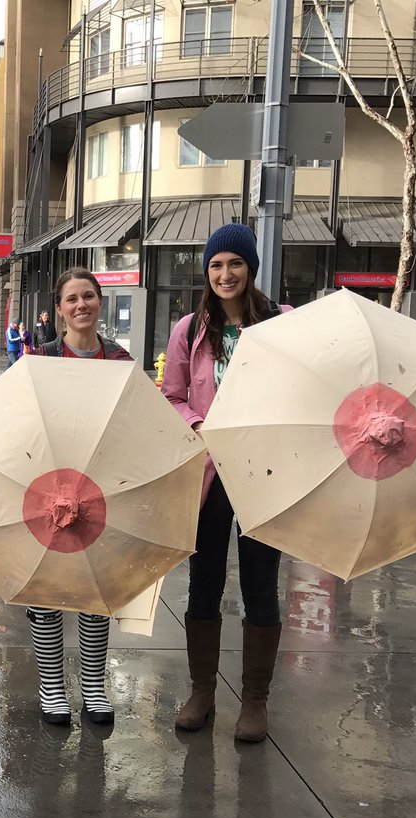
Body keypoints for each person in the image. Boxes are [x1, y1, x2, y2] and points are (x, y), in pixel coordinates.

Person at [161, 223, 288, 744]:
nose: (225, 273)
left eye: (234, 263)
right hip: (210, 473)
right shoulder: (190, 329)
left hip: (264, 472)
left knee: (261, 586)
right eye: (216, 265)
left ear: (250, 267)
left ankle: (255, 701)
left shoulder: (282, 323)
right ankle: (202, 693)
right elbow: (171, 395)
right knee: (204, 582)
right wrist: (200, 425)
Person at [27, 267, 133, 727]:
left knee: (96, 587)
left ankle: (93, 686)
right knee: (47, 586)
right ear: (59, 309)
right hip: (48, 484)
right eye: (72, 299)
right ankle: (52, 687)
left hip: (101, 489)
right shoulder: (39, 357)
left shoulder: (120, 359)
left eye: (89, 296)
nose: (82, 305)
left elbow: (134, 423)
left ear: (100, 303)